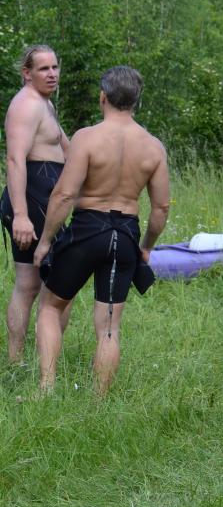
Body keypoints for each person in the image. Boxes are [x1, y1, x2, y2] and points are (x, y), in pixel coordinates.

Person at [31, 66, 169, 394]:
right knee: (109, 326)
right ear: (136, 101)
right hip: (125, 234)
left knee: (50, 306)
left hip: (88, 229)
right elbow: (161, 207)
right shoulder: (153, 147)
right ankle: (99, 401)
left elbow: (64, 194)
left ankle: (46, 387)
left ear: (102, 97)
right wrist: (146, 246)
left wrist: (46, 240)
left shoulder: (87, 137)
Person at [2, 45, 70, 363]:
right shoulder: (26, 106)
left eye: (55, 67)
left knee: (29, 284)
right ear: (27, 74)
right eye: (44, 69)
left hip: (42, 200)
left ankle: (18, 361)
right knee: (59, 285)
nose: (52, 73)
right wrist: (21, 215)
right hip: (32, 202)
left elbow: (66, 146)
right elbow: (15, 160)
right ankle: (41, 363)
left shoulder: (44, 103)